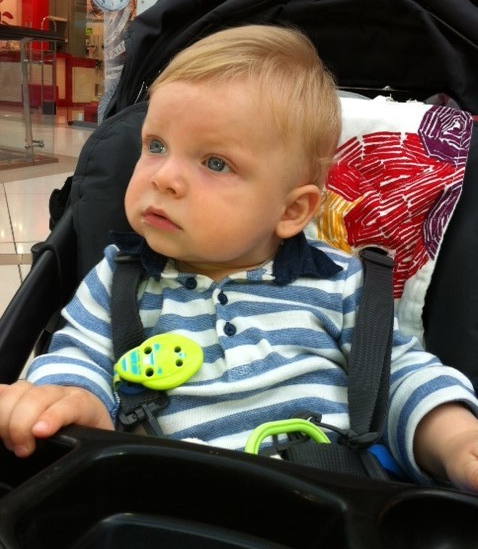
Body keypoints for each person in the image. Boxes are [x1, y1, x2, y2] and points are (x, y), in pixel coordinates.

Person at [1, 24, 478, 491]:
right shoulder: (118, 280)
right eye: (156, 146)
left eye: (215, 163)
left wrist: (457, 441)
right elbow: (78, 358)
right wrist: (71, 400)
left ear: (291, 211)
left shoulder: (338, 284)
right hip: (168, 509)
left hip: (325, 499)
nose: (163, 178)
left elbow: (400, 378)